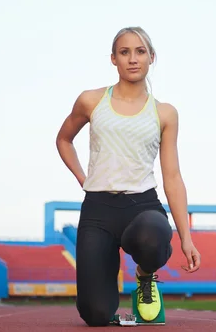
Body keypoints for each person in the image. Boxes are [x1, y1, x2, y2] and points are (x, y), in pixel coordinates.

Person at [56, 26, 201, 327]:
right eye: (124, 52)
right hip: (98, 210)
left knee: (153, 235)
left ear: (151, 58)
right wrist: (83, 178)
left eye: (140, 51)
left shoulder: (164, 113)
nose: (132, 59)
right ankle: (104, 302)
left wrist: (186, 238)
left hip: (142, 207)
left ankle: (144, 275)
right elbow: (64, 140)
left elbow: (172, 176)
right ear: (113, 59)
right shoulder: (91, 101)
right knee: (95, 315)